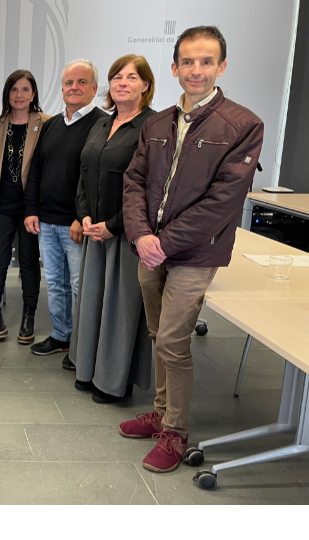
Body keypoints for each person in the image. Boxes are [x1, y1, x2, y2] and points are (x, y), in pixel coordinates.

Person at [121, 27, 264, 474]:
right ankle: (161, 411)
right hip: (150, 249)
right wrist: (142, 236)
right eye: (188, 61)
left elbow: (224, 201)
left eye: (206, 61)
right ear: (174, 68)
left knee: (172, 341)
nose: (196, 70)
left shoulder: (243, 125)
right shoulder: (158, 123)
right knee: (155, 333)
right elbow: (134, 183)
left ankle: (175, 431)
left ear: (221, 66)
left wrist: (162, 242)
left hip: (196, 253)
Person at [69, 55, 157, 406]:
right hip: (95, 232)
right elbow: (85, 173)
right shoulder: (102, 124)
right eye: (117, 77)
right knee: (92, 304)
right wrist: (85, 215)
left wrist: (113, 225)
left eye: (131, 77)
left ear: (146, 85)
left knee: (119, 308)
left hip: (125, 235)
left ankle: (112, 381)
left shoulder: (153, 127)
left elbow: (151, 188)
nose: (122, 82)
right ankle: (88, 370)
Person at [24, 60, 105, 361]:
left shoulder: (102, 124)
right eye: (69, 83)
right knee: (55, 284)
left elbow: (97, 179)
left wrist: (80, 217)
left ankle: (84, 346)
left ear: (94, 88)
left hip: (76, 224)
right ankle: (61, 336)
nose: (74, 88)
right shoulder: (52, 125)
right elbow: (35, 170)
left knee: (79, 286)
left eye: (82, 82)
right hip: (46, 221)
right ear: (61, 89)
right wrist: (31, 209)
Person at [0, 71, 50, 344]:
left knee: (28, 262)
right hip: (0, 204)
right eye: (14, 90)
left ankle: (28, 314)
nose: (19, 95)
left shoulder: (46, 123)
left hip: (30, 207)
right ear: (7, 94)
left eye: (25, 89)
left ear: (33, 94)